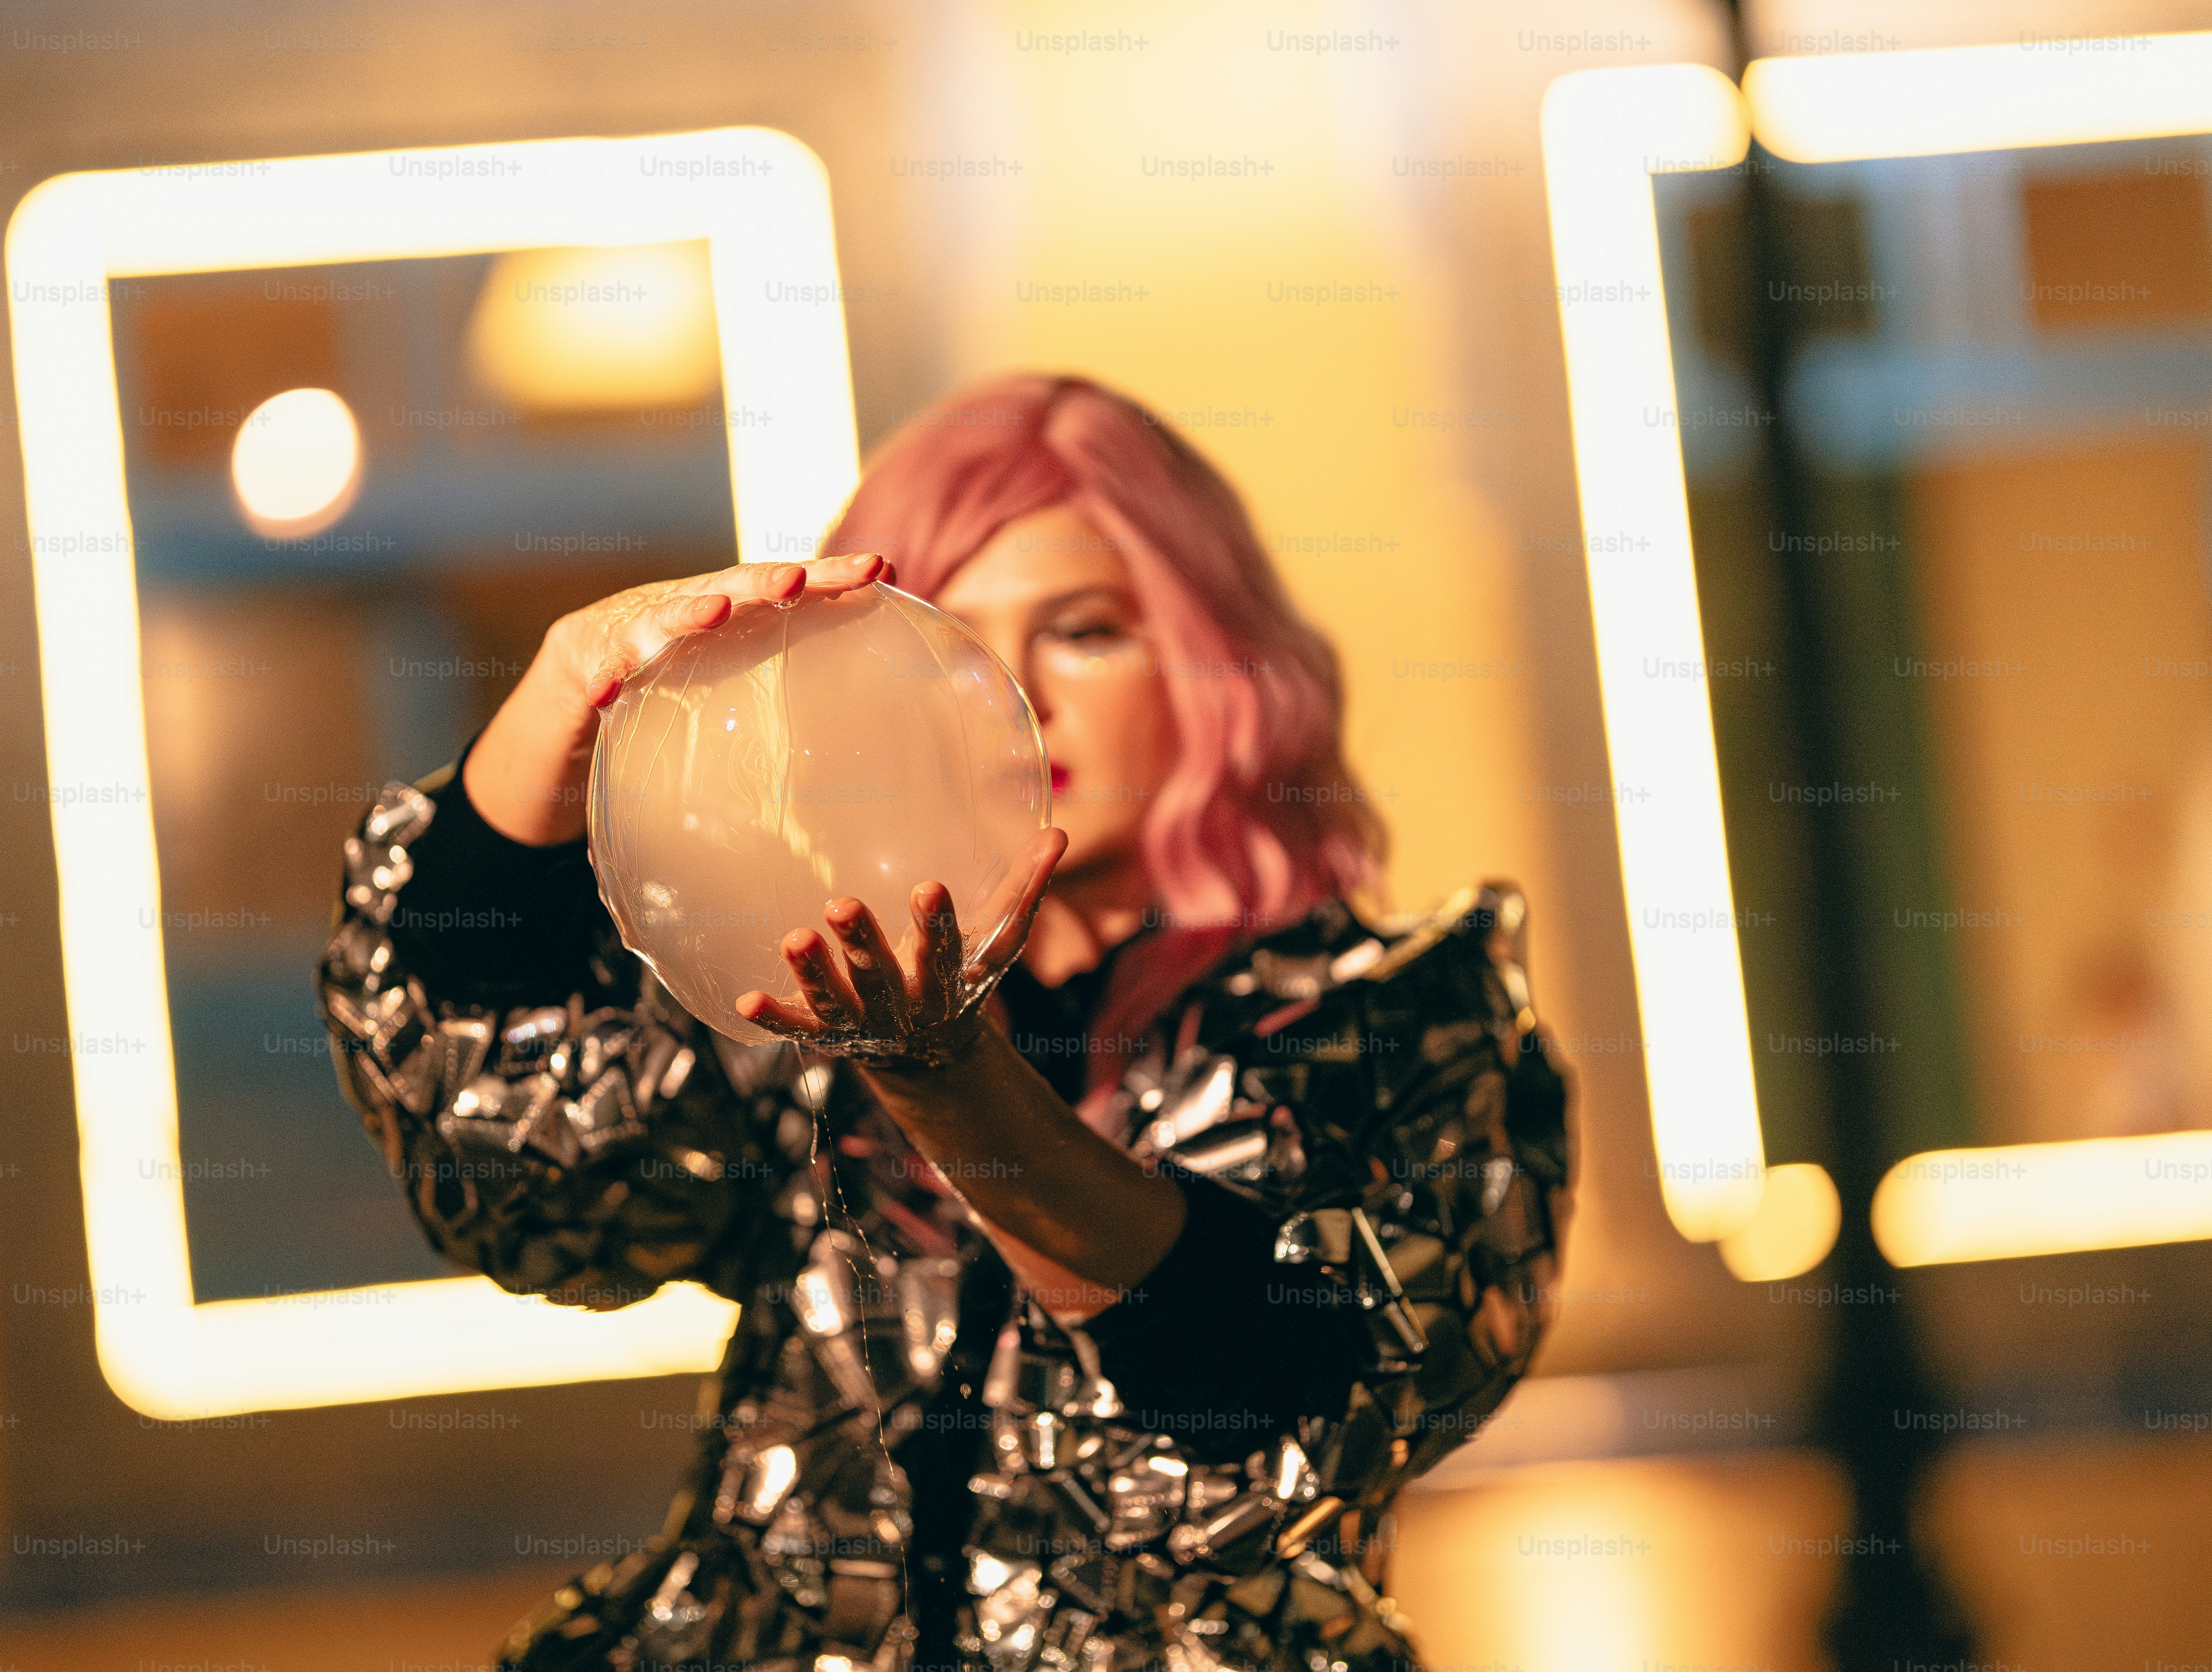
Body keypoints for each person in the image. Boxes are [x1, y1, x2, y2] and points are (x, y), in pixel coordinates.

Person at [317, 373, 1572, 1672]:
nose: (1016, 691)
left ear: (1213, 659)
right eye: (953, 641)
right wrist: (551, 712)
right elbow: (531, 1188)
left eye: (1084, 631)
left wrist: (950, 1083)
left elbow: (1314, 1395)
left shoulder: (1396, 1016)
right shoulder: (790, 1005)